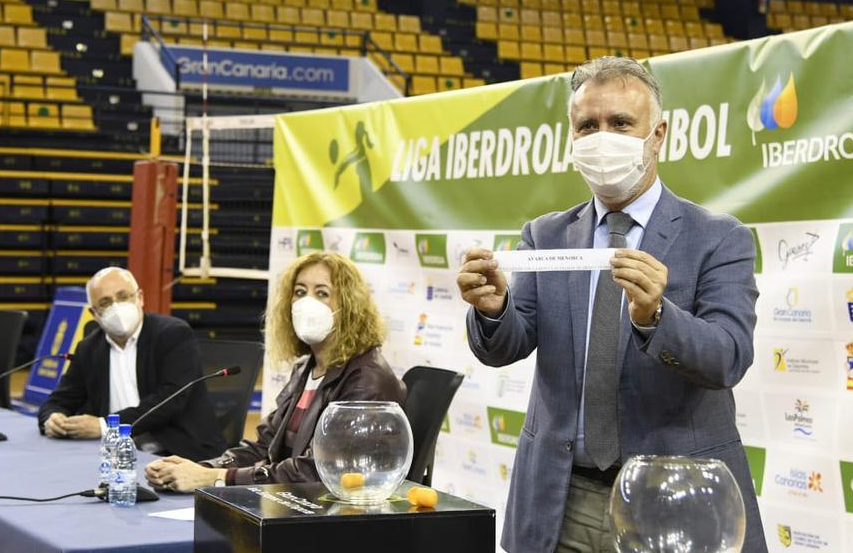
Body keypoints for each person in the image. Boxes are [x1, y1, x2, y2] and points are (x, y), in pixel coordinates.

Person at [458, 56, 766, 552]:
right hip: (562, 498)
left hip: (673, 498)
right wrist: (494, 309)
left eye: (621, 123)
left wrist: (657, 319)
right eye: (588, 126)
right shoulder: (546, 235)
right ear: (572, 139)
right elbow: (507, 345)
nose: (603, 137)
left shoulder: (718, 238)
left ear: (658, 134)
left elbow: (729, 357)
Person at [145, 251, 405, 492]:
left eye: (322, 293)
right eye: (300, 292)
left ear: (349, 306)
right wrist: (203, 468)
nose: (306, 302)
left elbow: (319, 471)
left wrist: (215, 479)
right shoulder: (307, 368)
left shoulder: (367, 378)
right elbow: (263, 447)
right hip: (287, 502)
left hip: (329, 515)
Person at [37, 267, 226, 461]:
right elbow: (58, 400)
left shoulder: (173, 334)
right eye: (105, 303)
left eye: (123, 296)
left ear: (140, 298)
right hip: (115, 457)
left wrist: (106, 426)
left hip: (178, 454)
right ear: (94, 313)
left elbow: (170, 400)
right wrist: (53, 418)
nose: (116, 307)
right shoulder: (89, 348)